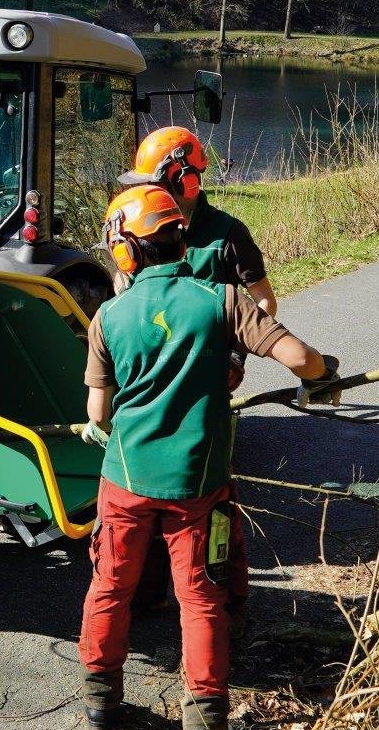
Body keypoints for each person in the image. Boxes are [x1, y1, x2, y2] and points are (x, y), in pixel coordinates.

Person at [77, 185, 338, 730]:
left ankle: (101, 703)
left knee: (111, 586)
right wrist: (323, 376)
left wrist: (104, 421)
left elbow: (98, 414)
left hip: (125, 480)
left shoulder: (108, 316)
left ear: (126, 250)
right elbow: (300, 358)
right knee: (200, 598)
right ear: (180, 239)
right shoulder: (222, 300)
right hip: (199, 484)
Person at [117, 126, 274, 624]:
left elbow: (263, 302)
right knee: (143, 492)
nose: (145, 193)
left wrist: (237, 358)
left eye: (152, 183)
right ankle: (148, 595)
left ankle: (226, 603)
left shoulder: (227, 235)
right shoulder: (138, 223)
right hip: (148, 384)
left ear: (183, 179)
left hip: (205, 387)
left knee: (211, 500)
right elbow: (124, 294)